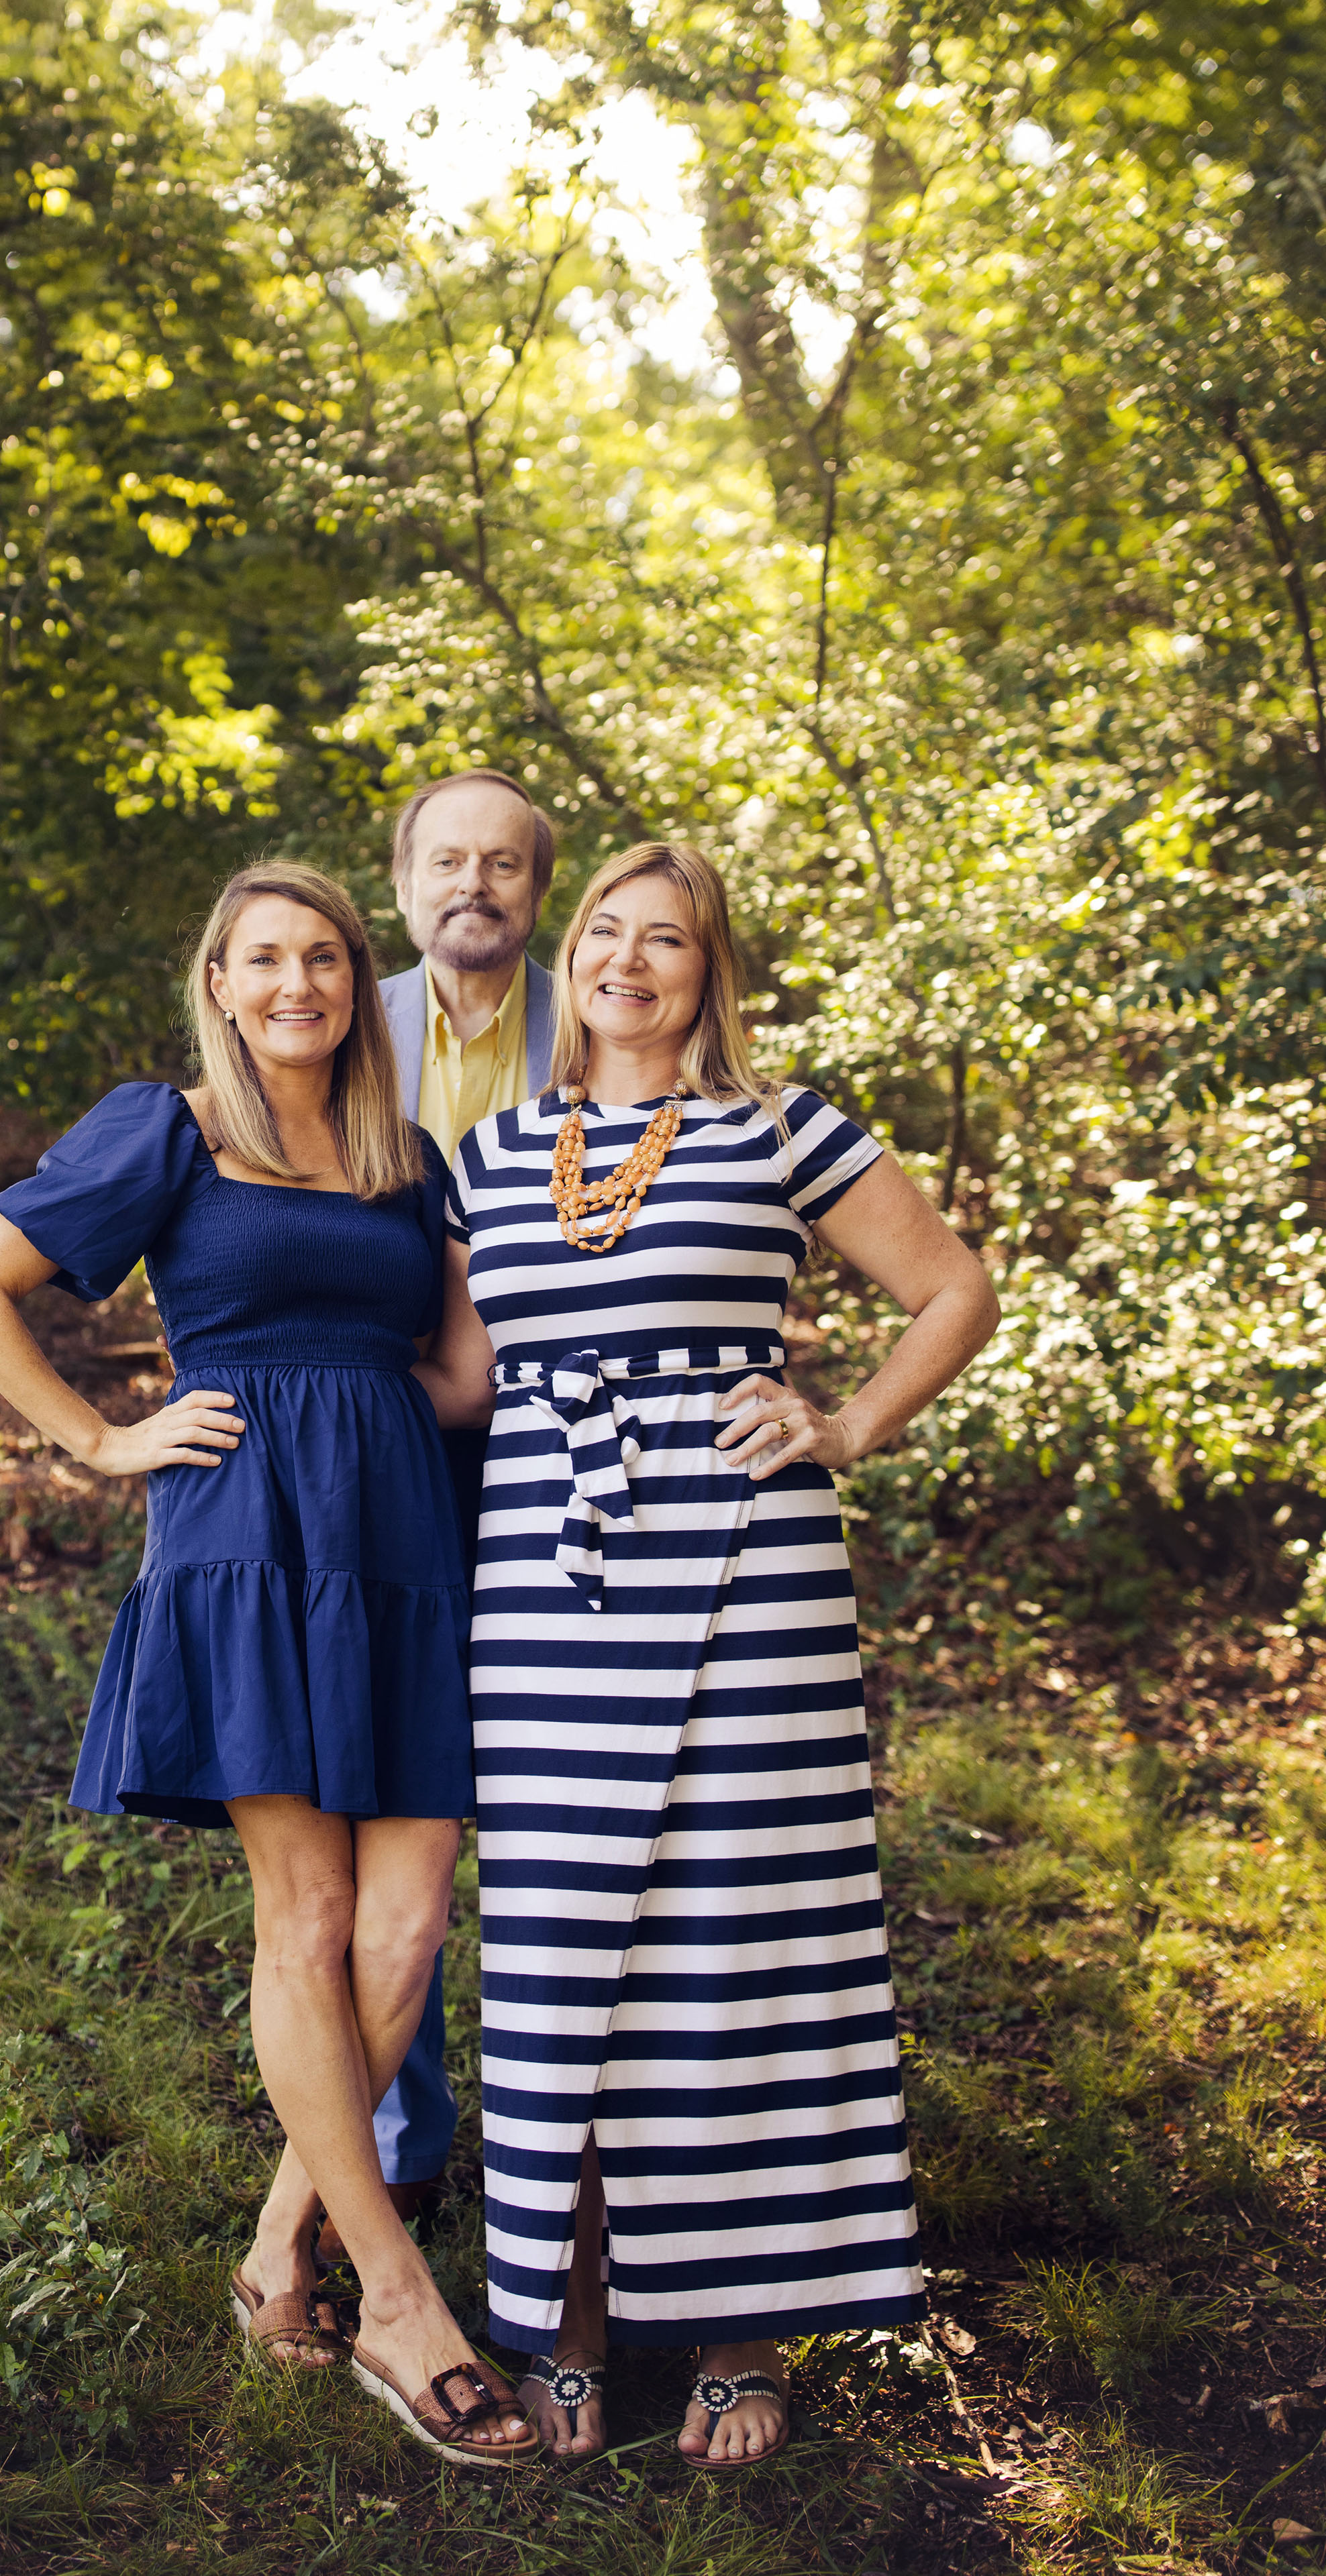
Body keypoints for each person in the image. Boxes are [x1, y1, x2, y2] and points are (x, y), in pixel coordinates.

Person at [0, 861, 535, 2467]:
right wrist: (101, 1440)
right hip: (244, 1534)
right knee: (312, 1917)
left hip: (405, 1538)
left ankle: (281, 2248)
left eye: (323, 958)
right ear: (217, 977)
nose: (296, 986)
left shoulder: (413, 1161)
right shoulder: (170, 1128)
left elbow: (465, 1373)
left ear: (356, 979)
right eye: (263, 959)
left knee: (405, 1939)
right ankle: (399, 2304)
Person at [415, 840, 1001, 2469]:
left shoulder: (782, 1129)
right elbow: (460, 1383)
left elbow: (952, 1286)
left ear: (705, 970)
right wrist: (282, 1369)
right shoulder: (490, 1151)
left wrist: (846, 1421)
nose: (626, 960)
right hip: (543, 1587)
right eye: (603, 929)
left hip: (747, 1573)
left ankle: (742, 2333)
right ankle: (574, 2324)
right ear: (567, 950)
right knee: (554, 1955)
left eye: (663, 939)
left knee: (738, 1935)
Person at [323, 768, 556, 2249]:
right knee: (373, 1803)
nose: (472, 885)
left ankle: (567, 2128)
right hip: (374, 1452)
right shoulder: (335, 1022)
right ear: (401, 880)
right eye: (444, 860)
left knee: (538, 1811)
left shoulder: (601, 1019)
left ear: (540, 888)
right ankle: (393, 2150)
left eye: (503, 864)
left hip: (551, 1460)